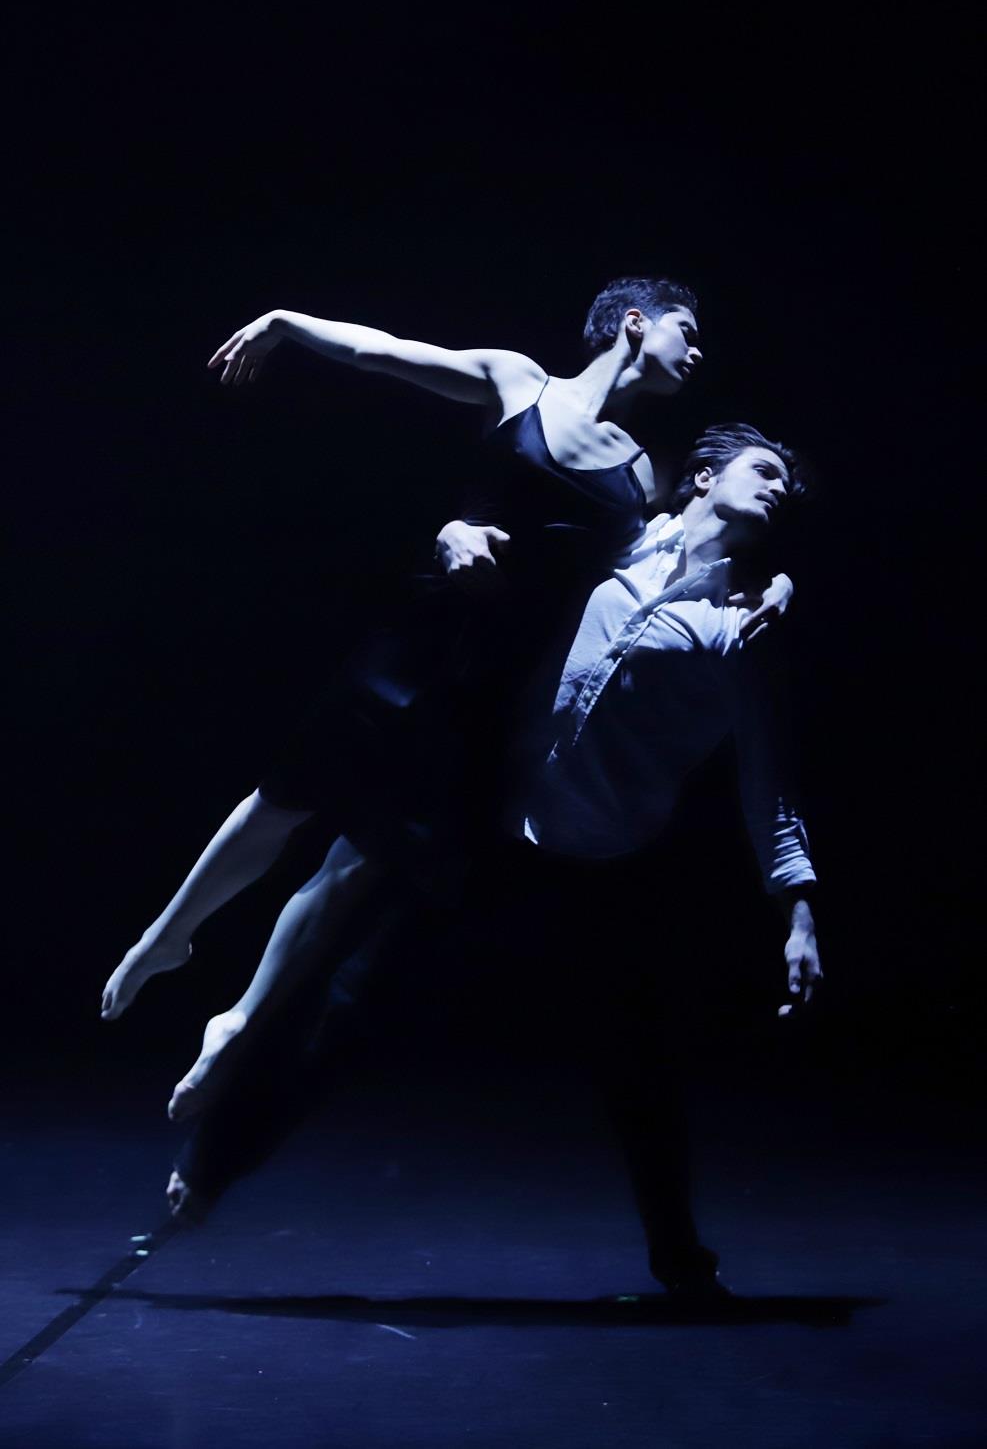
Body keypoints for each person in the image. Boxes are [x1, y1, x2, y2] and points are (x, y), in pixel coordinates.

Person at [164, 424, 820, 1298]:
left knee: (639, 1068)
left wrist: (796, 909)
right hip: (495, 829)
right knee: (350, 1003)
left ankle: (681, 1260)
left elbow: (769, 775)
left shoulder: (749, 619)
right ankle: (215, 1162)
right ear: (701, 476)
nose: (779, 489)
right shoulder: (613, 544)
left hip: (603, 863)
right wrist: (453, 530)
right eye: (762, 470)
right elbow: (506, 519)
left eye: (787, 487)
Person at [100, 281, 792, 1064]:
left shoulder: (642, 473)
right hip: (415, 641)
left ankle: (240, 1017)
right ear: (634, 323)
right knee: (283, 800)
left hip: (488, 686)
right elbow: (385, 353)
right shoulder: (519, 381)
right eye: (684, 329)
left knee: (359, 856)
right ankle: (166, 938)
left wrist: (773, 581)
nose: (696, 349)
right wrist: (287, 323)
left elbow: (683, 557)